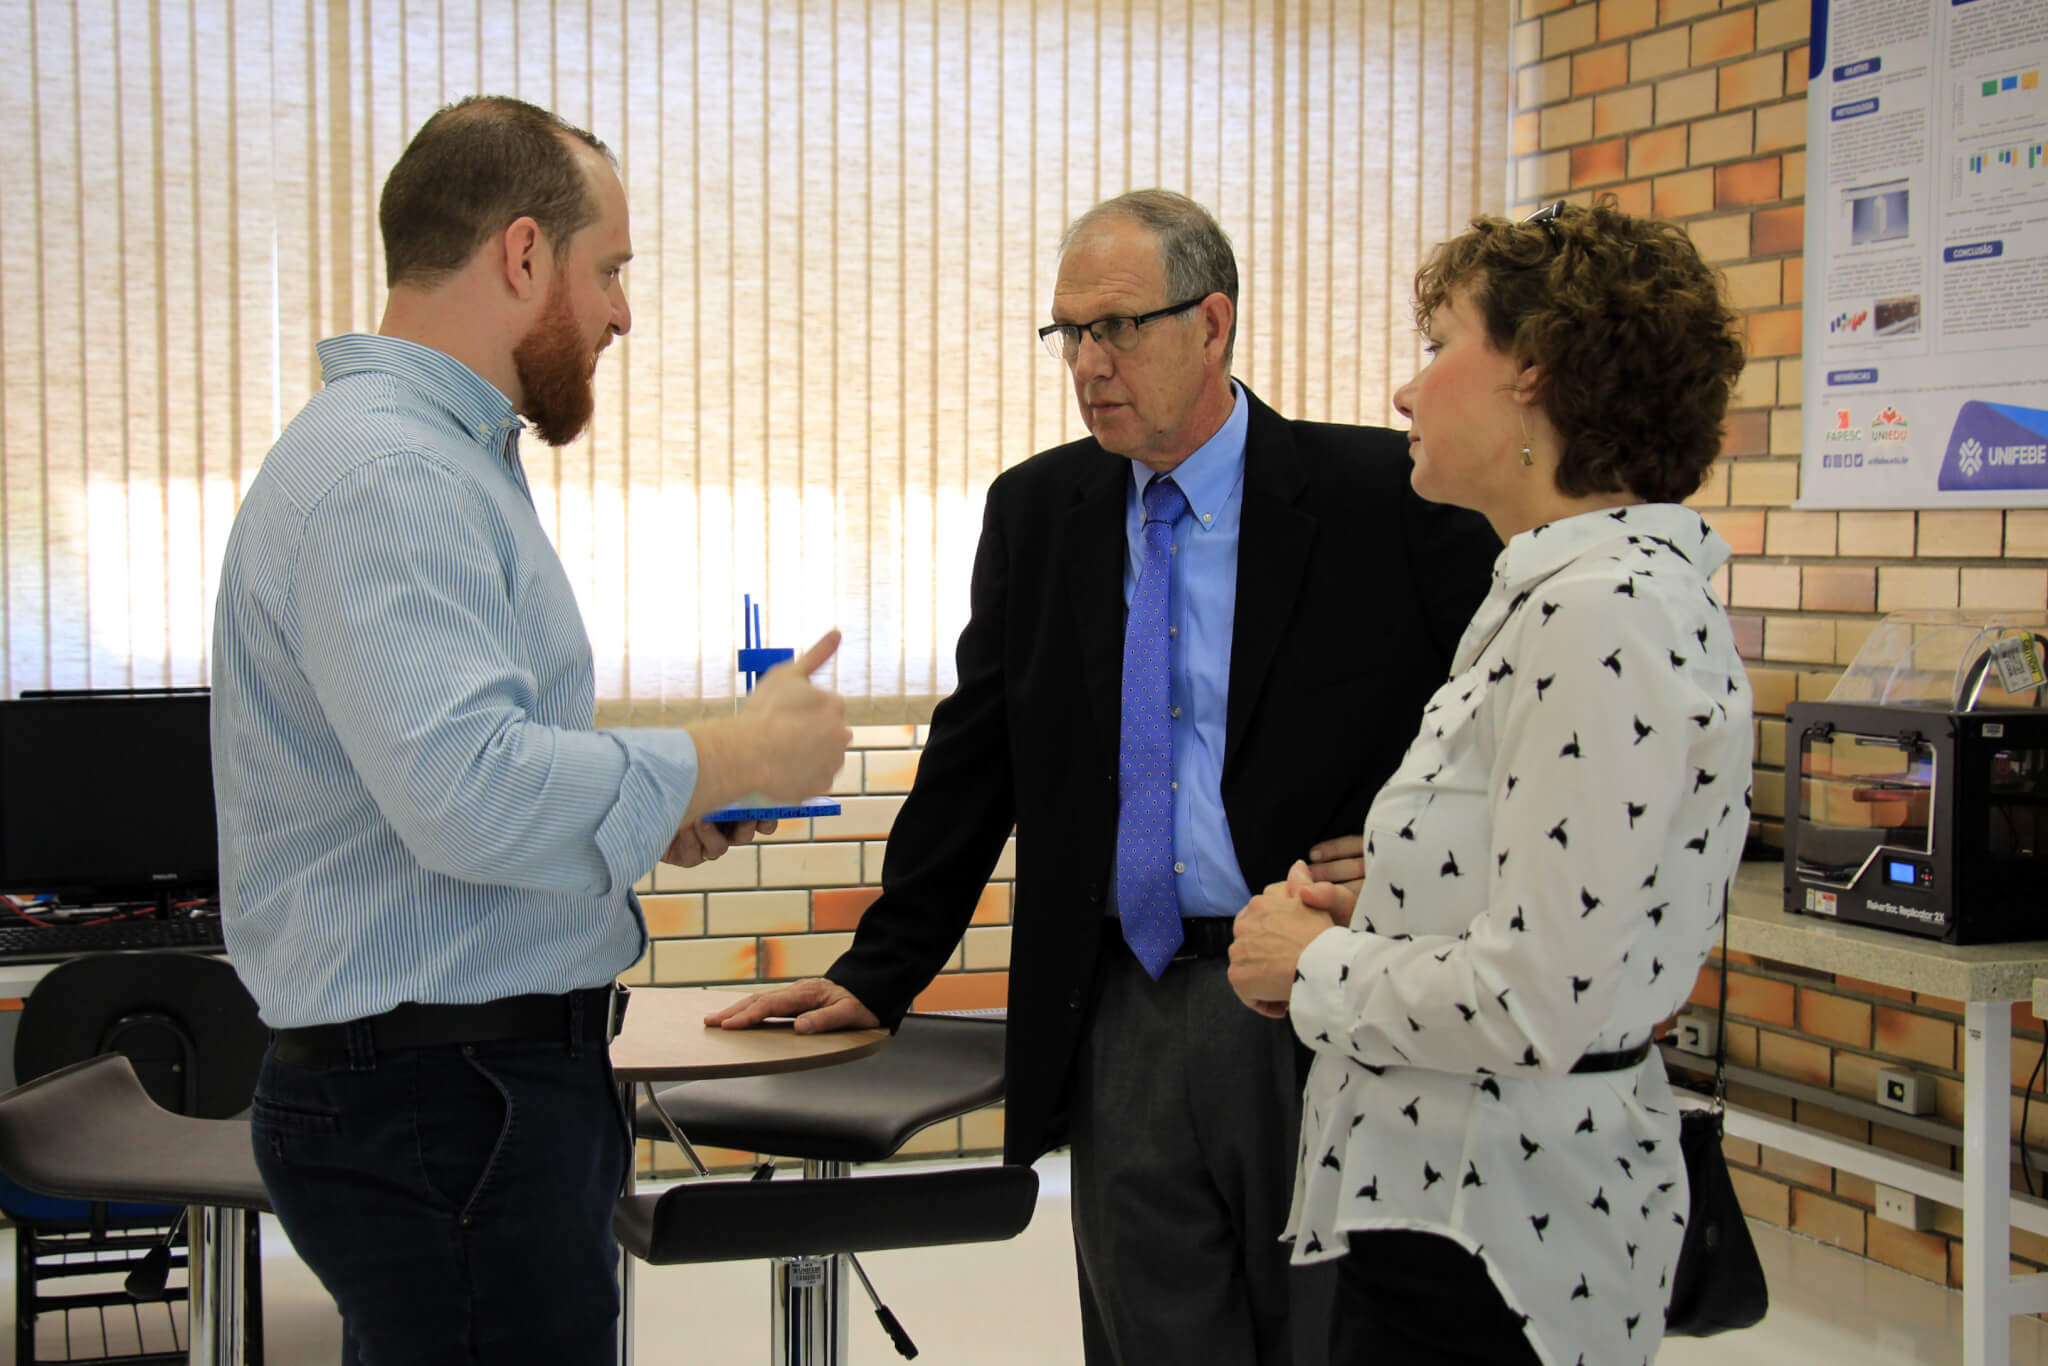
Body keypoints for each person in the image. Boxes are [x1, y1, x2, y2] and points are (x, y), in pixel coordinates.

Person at [707, 189, 1498, 1365]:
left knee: (1336, 1336)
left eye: (1118, 327)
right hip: (1123, 1001)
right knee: (1150, 1334)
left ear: (1212, 323)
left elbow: (1495, 723)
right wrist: (880, 969)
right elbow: (976, 760)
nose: (1088, 363)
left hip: (1326, 995)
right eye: (1067, 334)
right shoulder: (1039, 513)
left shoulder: (1386, 496)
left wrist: (1421, 852)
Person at [210, 95, 850, 1365]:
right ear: (520, 255)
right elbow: (470, 792)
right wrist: (724, 756)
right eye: (608, 269)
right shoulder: (389, 474)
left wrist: (656, 810)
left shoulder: (431, 461)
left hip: (452, 1096)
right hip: (446, 1104)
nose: (622, 312)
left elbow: (462, 764)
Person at [1226, 197, 1753, 1366]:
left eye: (1434, 345)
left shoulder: (1595, 610)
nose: (1406, 394)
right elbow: (1553, 916)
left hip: (1496, 1232)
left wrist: (1310, 961)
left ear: (1535, 370)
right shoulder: (1556, 593)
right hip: (1460, 1204)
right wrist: (1384, 912)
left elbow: (1533, 999)